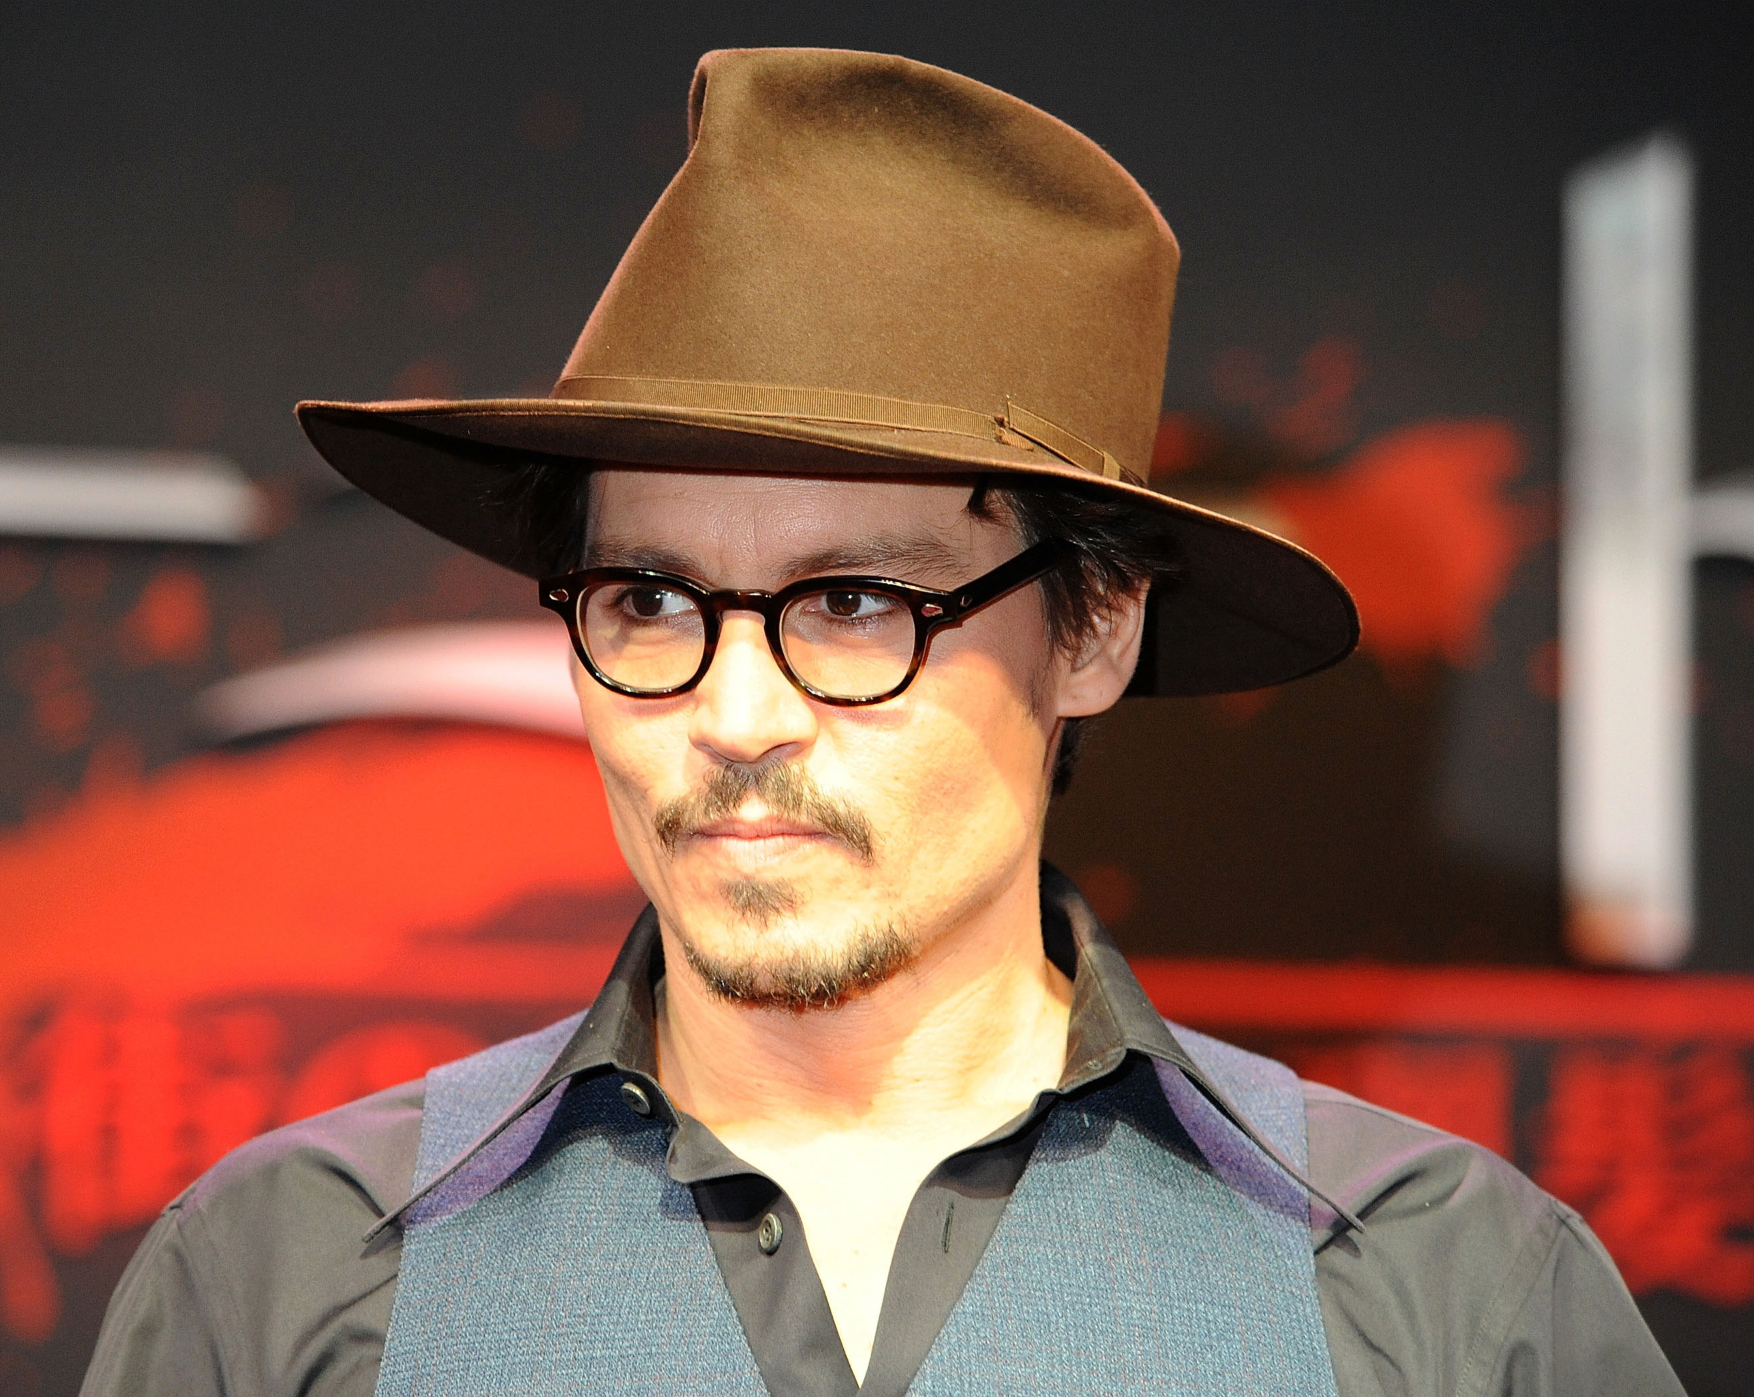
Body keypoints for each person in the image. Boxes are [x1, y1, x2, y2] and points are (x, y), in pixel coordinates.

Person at [82, 47, 1682, 1396]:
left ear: (1097, 627)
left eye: (857, 605)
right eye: (649, 601)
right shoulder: (282, 1281)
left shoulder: (1449, 1299)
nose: (734, 710)